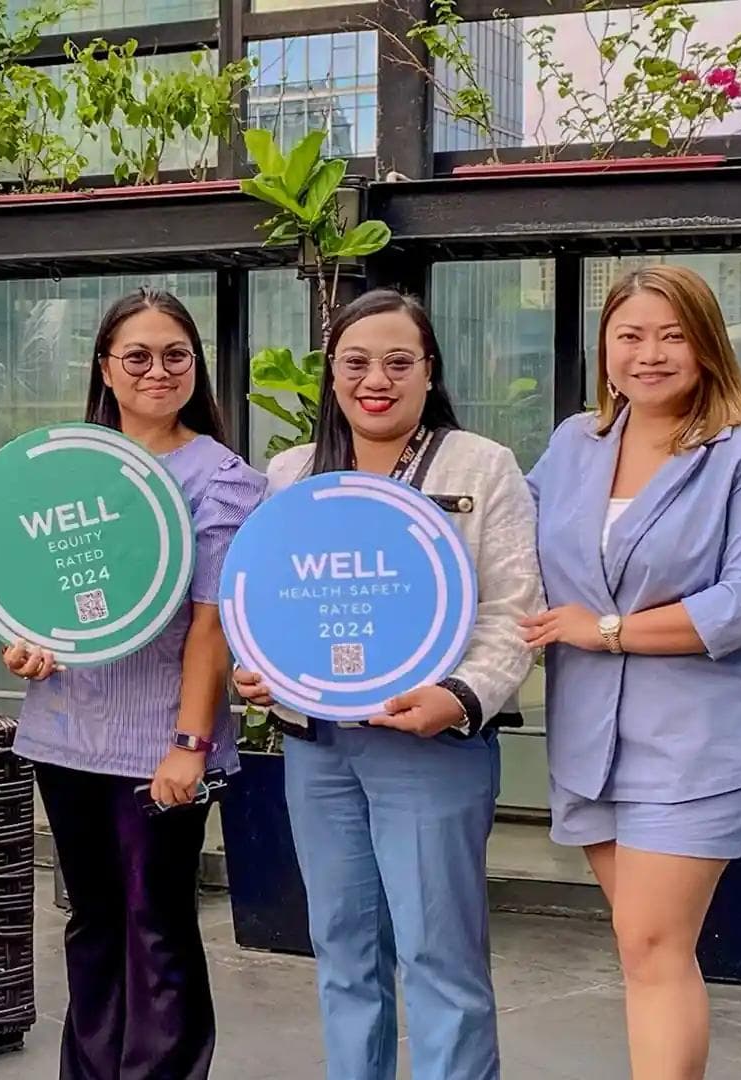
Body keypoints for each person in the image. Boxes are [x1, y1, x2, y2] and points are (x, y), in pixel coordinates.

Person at [233, 288, 544, 1080]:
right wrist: (261, 667)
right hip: (318, 749)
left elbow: (514, 610)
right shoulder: (291, 473)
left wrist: (461, 696)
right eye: (357, 363)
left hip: (431, 747)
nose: (377, 380)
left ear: (429, 371)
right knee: (342, 948)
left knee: (440, 953)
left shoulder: (481, 466)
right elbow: (272, 596)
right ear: (332, 373)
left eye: (399, 362)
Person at [520, 264, 741, 1080]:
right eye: (631, 336)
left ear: (707, 344)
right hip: (592, 742)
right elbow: (511, 551)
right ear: (605, 348)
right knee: (646, 950)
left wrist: (607, 631)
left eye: (672, 335)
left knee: (652, 945)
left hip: (698, 742)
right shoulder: (574, 444)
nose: (650, 354)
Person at [3, 288, 265, 1080]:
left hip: (160, 743)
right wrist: (28, 644)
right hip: (65, 734)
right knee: (92, 924)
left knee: (158, 929)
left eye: (176, 355)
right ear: (106, 368)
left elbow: (211, 627)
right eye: (138, 356)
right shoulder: (67, 468)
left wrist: (189, 744)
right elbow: (36, 590)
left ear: (197, 366)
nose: (158, 371)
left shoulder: (221, 478)